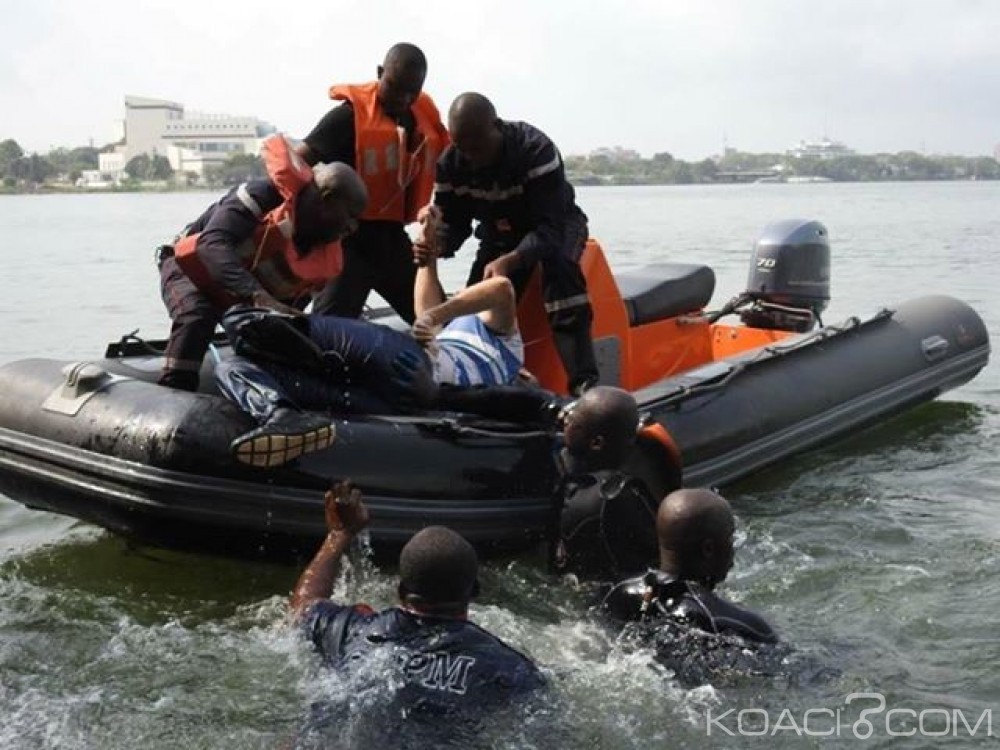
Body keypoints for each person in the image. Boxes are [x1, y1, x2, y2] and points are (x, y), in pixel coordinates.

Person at [215, 250, 524, 467]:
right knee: (231, 366)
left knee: (242, 321)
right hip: (397, 396)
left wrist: (433, 317)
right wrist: (428, 258)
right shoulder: (456, 339)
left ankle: (315, 356)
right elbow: (427, 310)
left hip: (410, 367)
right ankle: (282, 414)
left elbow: (501, 288)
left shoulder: (507, 343)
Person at [290, 481, 545, 730]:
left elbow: (304, 607)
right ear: (474, 592)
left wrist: (340, 534)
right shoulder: (506, 667)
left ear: (400, 590)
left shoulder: (355, 631)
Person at [420, 92, 599, 395]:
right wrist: (435, 241)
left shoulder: (535, 150)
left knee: (560, 268)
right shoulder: (450, 164)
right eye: (462, 147)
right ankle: (483, 381)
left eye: (478, 146)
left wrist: (512, 260)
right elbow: (456, 226)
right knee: (474, 303)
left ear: (497, 127)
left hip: (556, 223)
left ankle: (584, 383)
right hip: (499, 232)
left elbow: (551, 227)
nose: (471, 157)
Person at [157, 134, 367, 391]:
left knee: (278, 339)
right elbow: (211, 244)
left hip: (243, 290)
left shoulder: (323, 251)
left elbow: (293, 302)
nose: (353, 227)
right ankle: (175, 387)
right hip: (189, 269)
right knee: (198, 315)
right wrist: (257, 295)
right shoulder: (263, 195)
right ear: (327, 199)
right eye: (350, 215)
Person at [297, 42, 449, 322]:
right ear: (380, 73)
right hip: (347, 242)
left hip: (391, 240)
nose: (403, 98)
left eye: (412, 91)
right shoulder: (347, 117)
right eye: (394, 87)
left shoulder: (422, 120)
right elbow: (298, 161)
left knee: (438, 320)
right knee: (330, 328)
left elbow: (452, 165)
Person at [601, 488, 777, 644]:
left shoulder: (618, 593)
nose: (733, 547)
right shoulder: (733, 624)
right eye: (730, 537)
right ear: (708, 549)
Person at [550, 386, 663, 581]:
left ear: (596, 443)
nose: (566, 420)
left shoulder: (607, 495)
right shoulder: (623, 492)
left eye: (573, 420)